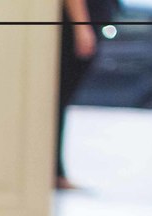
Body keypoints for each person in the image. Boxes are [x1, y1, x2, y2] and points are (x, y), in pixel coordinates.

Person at [56, 0, 118, 190]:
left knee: (60, 102)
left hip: (89, 24)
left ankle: (56, 171)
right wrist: (81, 27)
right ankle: (55, 172)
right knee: (57, 102)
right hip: (76, 28)